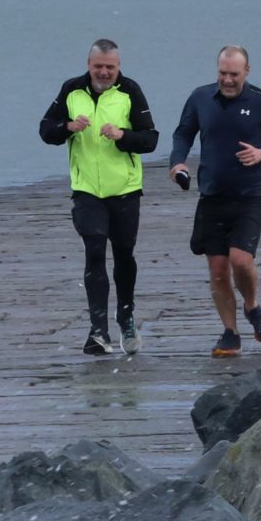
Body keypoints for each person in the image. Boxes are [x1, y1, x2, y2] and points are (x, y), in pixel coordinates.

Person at [38, 39, 159, 353]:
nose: (104, 72)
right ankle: (98, 331)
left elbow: (150, 139)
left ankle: (126, 317)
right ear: (89, 65)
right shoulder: (72, 90)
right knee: (94, 249)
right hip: (87, 189)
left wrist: (122, 136)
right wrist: (68, 127)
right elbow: (45, 130)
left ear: (118, 66)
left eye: (110, 67)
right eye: (98, 67)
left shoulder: (130, 91)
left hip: (125, 190)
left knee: (123, 255)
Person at [169, 46, 261, 357]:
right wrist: (178, 162)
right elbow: (183, 133)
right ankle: (230, 333)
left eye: (234, 74)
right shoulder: (200, 98)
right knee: (219, 270)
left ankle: (252, 305)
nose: (227, 79)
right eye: (222, 73)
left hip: (248, 196)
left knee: (240, 260)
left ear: (246, 72)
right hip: (211, 196)